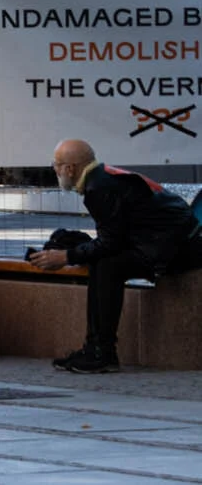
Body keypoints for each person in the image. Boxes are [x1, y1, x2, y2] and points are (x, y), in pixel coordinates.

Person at [26, 136, 202, 372]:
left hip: (177, 251)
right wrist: (74, 251)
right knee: (101, 261)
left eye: (56, 166)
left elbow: (110, 243)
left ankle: (101, 352)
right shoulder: (102, 178)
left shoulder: (99, 188)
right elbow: (115, 236)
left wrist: (66, 257)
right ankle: (97, 349)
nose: (55, 171)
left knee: (106, 266)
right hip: (167, 244)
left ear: (70, 168)